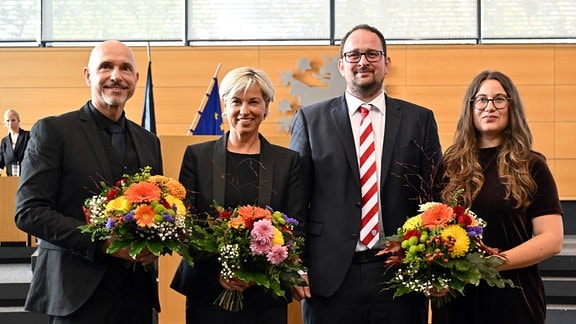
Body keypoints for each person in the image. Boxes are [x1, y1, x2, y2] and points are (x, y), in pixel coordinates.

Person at [289, 24, 442, 324]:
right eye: (354, 54)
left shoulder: (419, 120)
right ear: (341, 65)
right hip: (330, 275)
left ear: (387, 62)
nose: (363, 62)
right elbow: (296, 199)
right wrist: (295, 263)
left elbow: (434, 197)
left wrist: (433, 264)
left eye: (372, 54)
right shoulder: (310, 119)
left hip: (399, 272)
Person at [14, 40, 163, 324]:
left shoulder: (149, 142)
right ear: (88, 75)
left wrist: (154, 242)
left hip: (136, 297)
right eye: (106, 67)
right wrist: (104, 243)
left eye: (125, 68)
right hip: (75, 293)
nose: (116, 76)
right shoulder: (53, 131)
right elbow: (29, 212)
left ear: (136, 79)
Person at [170, 67, 306, 324]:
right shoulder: (196, 157)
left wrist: (255, 271)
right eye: (236, 101)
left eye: (254, 102)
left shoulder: (288, 161)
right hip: (207, 291)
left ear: (266, 107)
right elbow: (185, 224)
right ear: (224, 106)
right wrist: (221, 271)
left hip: (265, 295)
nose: (245, 110)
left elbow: (296, 227)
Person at [431, 70, 563, 324]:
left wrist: (488, 265)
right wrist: (435, 277)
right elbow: (432, 230)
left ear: (511, 107)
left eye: (499, 99)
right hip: (456, 300)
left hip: (513, 297)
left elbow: (552, 239)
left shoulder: (531, 165)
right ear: (470, 108)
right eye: (481, 99)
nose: (489, 106)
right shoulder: (449, 165)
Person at [0, 109, 30, 176]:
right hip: (11, 180)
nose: (10, 123)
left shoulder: (27, 136)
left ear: (18, 121)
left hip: (26, 177)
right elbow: (1, 162)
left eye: (13, 120)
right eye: (8, 121)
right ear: (5, 123)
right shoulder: (4, 141)